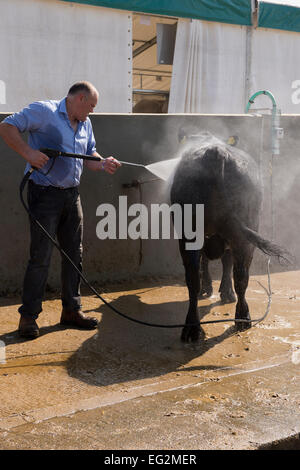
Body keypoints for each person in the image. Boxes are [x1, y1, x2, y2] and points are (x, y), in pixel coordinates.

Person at [0, 81, 121, 339]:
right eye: (91, 106)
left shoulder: (85, 123)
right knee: (41, 256)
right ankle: (28, 317)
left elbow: (90, 156)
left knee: (74, 255)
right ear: (79, 99)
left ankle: (71, 310)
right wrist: (29, 153)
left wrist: (103, 164)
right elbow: (6, 126)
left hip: (71, 195)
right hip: (44, 193)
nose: (92, 112)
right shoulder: (44, 111)